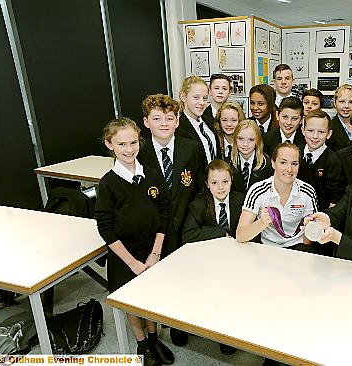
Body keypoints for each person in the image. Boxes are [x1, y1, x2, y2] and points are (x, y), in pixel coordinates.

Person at [95, 117, 173, 366]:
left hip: (152, 249)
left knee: (150, 298)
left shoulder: (151, 174)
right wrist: (133, 263)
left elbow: (164, 211)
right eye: (121, 144)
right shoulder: (108, 183)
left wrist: (155, 253)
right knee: (132, 303)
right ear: (110, 145)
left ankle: (153, 338)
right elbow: (105, 228)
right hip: (124, 256)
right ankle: (143, 345)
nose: (129, 149)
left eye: (133, 142)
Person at [138, 93, 204, 348]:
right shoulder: (139, 151)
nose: (163, 123)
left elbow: (199, 187)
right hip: (153, 229)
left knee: (186, 277)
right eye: (157, 118)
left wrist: (193, 221)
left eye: (169, 118)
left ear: (178, 121)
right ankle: (161, 320)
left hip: (185, 225)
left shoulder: (191, 147)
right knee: (159, 278)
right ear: (146, 122)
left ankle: (181, 323)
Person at [181, 159, 244, 356]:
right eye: (215, 183)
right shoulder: (199, 203)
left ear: (231, 181)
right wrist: (221, 233)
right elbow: (188, 234)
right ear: (207, 184)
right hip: (208, 260)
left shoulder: (241, 200)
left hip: (236, 260)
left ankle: (227, 334)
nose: (220, 187)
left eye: (225, 182)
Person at [236, 142, 318, 252]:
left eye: (294, 164)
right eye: (283, 162)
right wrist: (261, 223)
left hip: (298, 249)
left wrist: (309, 229)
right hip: (267, 248)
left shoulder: (308, 192)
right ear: (273, 163)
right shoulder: (257, 190)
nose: (289, 169)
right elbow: (240, 235)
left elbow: (309, 239)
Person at [298, 110, 345, 256]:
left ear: (329, 134)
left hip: (320, 223)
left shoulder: (333, 160)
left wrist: (320, 225)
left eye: (321, 132)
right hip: (295, 219)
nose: (315, 136)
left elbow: (334, 199)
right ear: (302, 130)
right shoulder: (296, 154)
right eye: (310, 130)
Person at [177, 76, 221, 164]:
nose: (201, 102)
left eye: (205, 98)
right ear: (183, 97)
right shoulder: (178, 127)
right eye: (196, 97)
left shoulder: (209, 120)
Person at [228, 119, 273, 194]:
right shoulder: (227, 164)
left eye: (251, 140)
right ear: (235, 139)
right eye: (241, 139)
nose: (245, 144)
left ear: (257, 141)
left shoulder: (267, 165)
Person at [327, 84, 352, 151]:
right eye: (342, 102)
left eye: (351, 102)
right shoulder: (329, 127)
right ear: (335, 103)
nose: (346, 106)